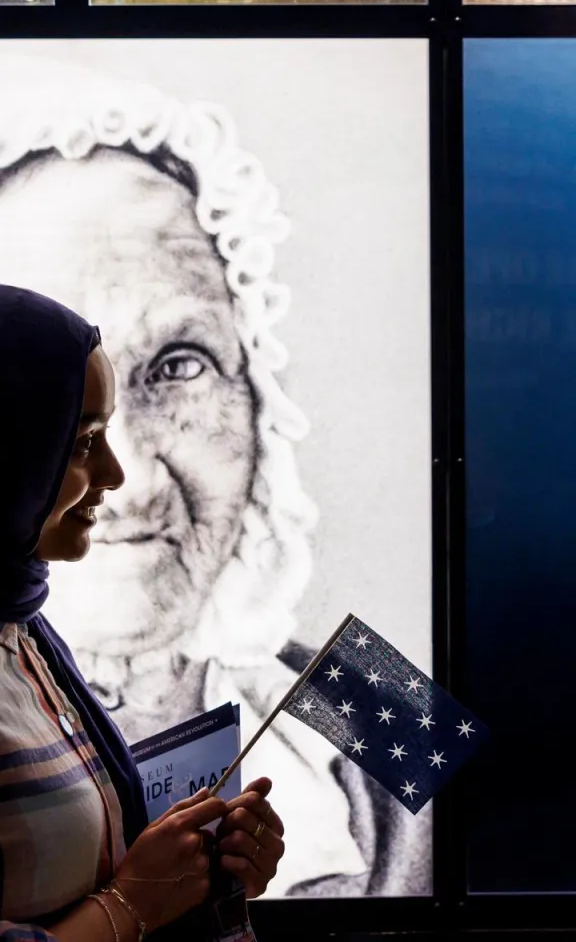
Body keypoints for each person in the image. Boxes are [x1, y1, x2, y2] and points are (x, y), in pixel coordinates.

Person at [0, 54, 431, 898]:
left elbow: (513, 847)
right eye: (67, 416)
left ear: (257, 396)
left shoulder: (370, 697)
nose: (137, 477)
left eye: (182, 366)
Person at [0, 283, 285, 939]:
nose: (117, 474)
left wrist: (191, 866)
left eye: (181, 365)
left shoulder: (27, 636)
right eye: (82, 442)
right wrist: (135, 903)